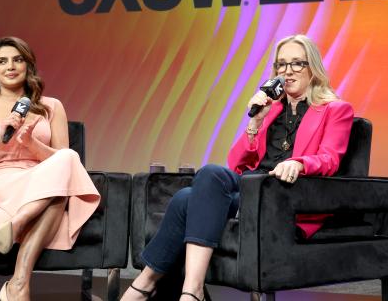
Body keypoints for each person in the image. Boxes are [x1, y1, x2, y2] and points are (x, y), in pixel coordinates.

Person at [121, 34, 354, 301]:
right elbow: (238, 163)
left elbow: (330, 159)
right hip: (250, 190)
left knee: (195, 189)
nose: (288, 71)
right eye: (281, 64)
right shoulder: (272, 110)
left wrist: (298, 163)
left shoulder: (335, 110)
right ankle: (184, 290)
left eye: (297, 63)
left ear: (313, 68)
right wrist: (255, 124)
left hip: (283, 196)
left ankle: (151, 288)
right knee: (192, 192)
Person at [0, 36, 100, 301]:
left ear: (28, 66)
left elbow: (63, 159)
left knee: (67, 159)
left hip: (40, 177)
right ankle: (17, 279)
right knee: (57, 195)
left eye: (18, 59)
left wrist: (31, 143)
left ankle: (18, 252)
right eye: (2, 61)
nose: (10, 66)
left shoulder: (52, 106)